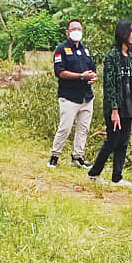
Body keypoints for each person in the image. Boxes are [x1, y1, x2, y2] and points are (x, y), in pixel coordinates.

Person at [87, 19, 132, 188]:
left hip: (127, 107)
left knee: (123, 142)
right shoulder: (111, 57)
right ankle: (94, 173)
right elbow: (110, 86)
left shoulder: (129, 58)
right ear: (123, 33)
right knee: (112, 141)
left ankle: (117, 178)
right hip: (115, 108)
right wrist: (114, 110)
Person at [49, 18, 96, 169]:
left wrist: (94, 77)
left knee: (83, 129)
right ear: (67, 32)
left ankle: (78, 157)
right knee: (65, 128)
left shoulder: (85, 50)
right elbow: (60, 72)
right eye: (73, 29)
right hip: (69, 97)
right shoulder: (61, 50)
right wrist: (81, 76)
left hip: (86, 97)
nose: (77, 32)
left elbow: (92, 70)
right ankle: (54, 156)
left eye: (79, 29)